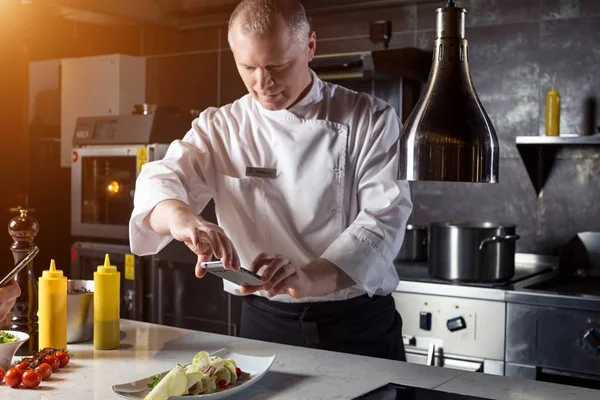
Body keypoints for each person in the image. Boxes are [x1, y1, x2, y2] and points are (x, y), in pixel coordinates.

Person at [129, 0, 412, 361]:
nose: (263, 83)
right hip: (264, 325)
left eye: (278, 66)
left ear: (310, 46)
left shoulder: (369, 119)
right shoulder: (222, 126)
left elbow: (382, 222)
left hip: (357, 326)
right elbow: (161, 181)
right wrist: (186, 221)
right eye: (248, 67)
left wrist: (309, 278)